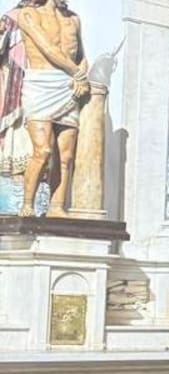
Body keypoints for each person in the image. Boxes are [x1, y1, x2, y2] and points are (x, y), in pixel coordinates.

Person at [8, 0, 88, 217]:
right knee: (42, 150)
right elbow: (47, 47)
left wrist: (82, 74)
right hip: (41, 85)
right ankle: (27, 205)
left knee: (66, 156)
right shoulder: (29, 14)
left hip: (68, 86)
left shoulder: (73, 18)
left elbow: (81, 54)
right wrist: (78, 74)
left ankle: (57, 207)